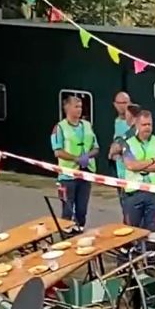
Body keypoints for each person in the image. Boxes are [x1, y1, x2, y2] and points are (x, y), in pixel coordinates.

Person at [122, 110, 155, 267]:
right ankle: (128, 268)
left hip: (154, 193)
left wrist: (141, 165)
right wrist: (153, 162)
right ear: (137, 125)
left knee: (152, 232)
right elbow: (130, 165)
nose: (147, 128)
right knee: (131, 232)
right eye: (144, 125)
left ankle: (150, 268)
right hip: (134, 193)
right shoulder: (128, 143)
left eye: (149, 124)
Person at [52, 95, 98, 229]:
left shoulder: (87, 126)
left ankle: (79, 229)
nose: (79, 110)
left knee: (82, 209)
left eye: (81, 107)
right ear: (67, 108)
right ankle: (66, 234)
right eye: (76, 107)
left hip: (86, 172)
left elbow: (96, 147)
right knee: (67, 208)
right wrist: (75, 158)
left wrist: (87, 156)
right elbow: (57, 151)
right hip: (67, 175)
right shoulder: (59, 128)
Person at [109, 100, 140, 214]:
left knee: (129, 213)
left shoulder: (132, 132)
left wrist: (114, 152)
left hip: (129, 178)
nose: (125, 117)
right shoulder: (130, 131)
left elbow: (116, 148)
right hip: (126, 176)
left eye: (127, 115)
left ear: (132, 116)